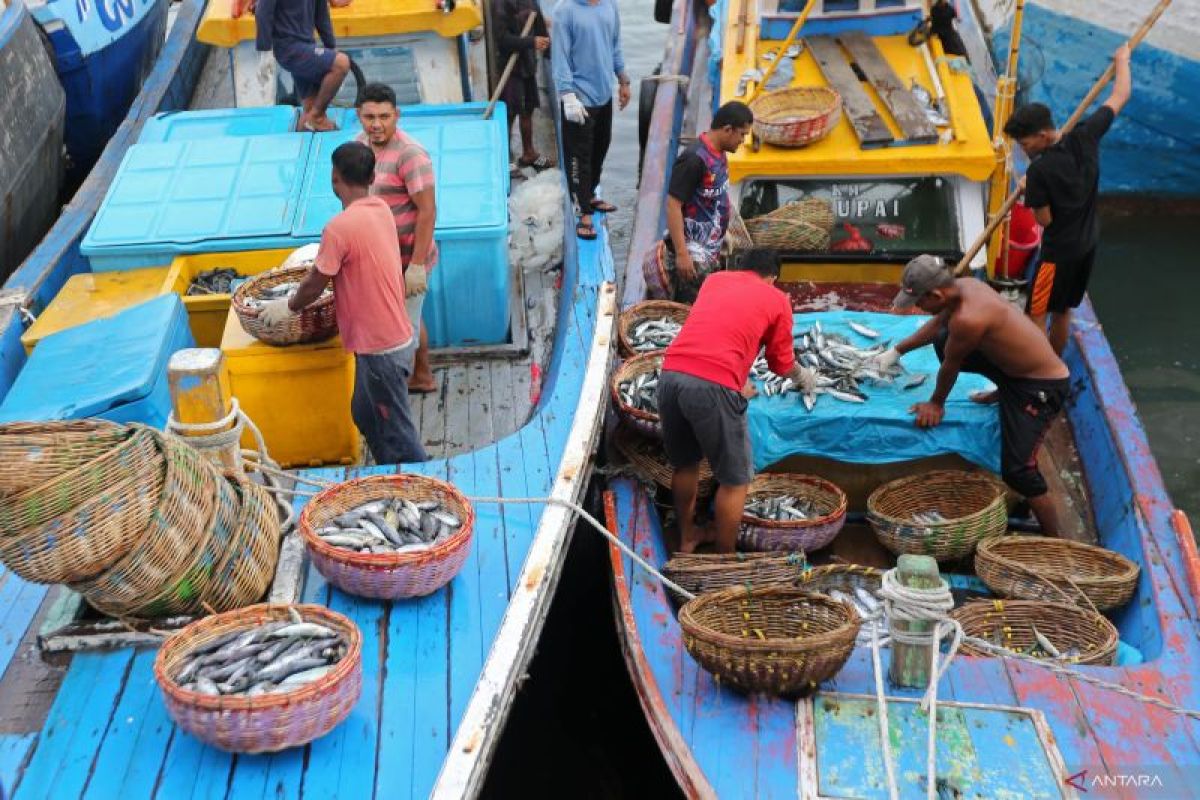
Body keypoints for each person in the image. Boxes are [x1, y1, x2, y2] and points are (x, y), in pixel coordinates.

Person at [871, 255, 1070, 535]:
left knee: (1018, 471)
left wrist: (936, 403)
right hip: (1013, 373)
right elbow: (939, 325)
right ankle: (1001, 392)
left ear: (936, 294)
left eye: (919, 302)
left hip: (1040, 388)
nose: (917, 308)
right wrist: (897, 350)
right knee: (943, 338)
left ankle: (1056, 540)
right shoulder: (965, 286)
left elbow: (952, 363)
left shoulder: (969, 318)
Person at [257, 142, 428, 464]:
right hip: (392, 338)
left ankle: (418, 482)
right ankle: (387, 468)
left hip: (382, 350)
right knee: (363, 412)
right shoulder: (380, 209)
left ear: (335, 179)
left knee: (401, 438)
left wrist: (288, 307)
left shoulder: (338, 228)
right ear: (372, 177)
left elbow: (314, 283)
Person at [659, 249, 816, 554]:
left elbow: (718, 330)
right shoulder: (777, 299)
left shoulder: (715, 280)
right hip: (712, 387)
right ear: (773, 277)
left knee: (685, 465)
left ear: (741, 268)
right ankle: (725, 556)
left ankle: (687, 536)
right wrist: (801, 376)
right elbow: (780, 363)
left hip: (671, 374)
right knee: (734, 481)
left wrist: (736, 380)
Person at [1003, 44, 1131, 355]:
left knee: (1035, 312)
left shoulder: (1041, 172)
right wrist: (1122, 60)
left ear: (1043, 136)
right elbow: (1119, 96)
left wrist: (1026, 192)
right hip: (1087, 245)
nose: (1022, 148)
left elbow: (1044, 221)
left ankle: (1039, 371)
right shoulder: (1085, 136)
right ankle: (1054, 365)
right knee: (1063, 312)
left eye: (1024, 142)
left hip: (1058, 254)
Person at [355, 83, 439, 393]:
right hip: (381, 258)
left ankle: (400, 384)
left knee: (404, 325)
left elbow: (427, 211)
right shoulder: (359, 147)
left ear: (397, 115)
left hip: (407, 259)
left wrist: (416, 266)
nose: (377, 125)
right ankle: (422, 374)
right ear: (358, 116)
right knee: (410, 318)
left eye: (384, 117)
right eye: (369, 117)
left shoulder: (410, 155)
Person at [645, 101, 753, 303]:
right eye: (742, 134)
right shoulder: (694, 160)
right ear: (727, 130)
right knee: (693, 307)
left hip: (711, 248)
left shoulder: (720, 153)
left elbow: (717, 197)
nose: (742, 140)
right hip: (693, 257)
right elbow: (673, 205)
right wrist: (682, 255)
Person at [551, 0, 631, 241]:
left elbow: (614, 44)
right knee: (579, 157)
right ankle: (583, 211)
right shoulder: (565, 11)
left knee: (600, 147)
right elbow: (560, 57)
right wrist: (567, 95)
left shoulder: (609, 5)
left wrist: (623, 79)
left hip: (603, 92)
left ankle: (591, 194)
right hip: (580, 96)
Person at [254, 0, 351, 131]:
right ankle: (317, 116)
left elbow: (321, 15)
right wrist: (264, 50)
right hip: (289, 49)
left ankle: (309, 122)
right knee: (341, 63)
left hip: (307, 48)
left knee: (309, 109)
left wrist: (331, 46)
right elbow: (262, 12)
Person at [494, 0, 554, 173]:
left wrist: (548, 52)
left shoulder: (532, 2)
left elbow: (541, 28)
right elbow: (503, 40)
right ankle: (505, 158)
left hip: (528, 64)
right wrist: (531, 42)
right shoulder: (500, 4)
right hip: (510, 67)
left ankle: (529, 153)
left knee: (528, 108)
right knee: (509, 112)